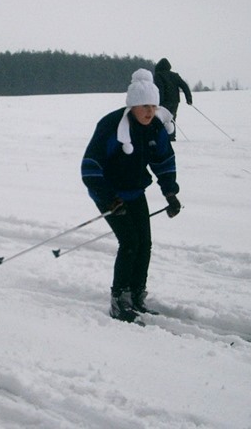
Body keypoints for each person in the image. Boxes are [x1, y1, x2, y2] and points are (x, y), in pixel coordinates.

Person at [81, 69, 181, 322]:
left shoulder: (154, 127)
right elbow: (90, 167)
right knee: (130, 243)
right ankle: (118, 300)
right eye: (144, 105)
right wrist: (107, 199)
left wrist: (170, 192)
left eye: (153, 105)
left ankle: (137, 296)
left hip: (135, 192)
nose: (149, 111)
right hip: (110, 194)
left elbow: (164, 161)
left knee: (144, 244)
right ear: (133, 105)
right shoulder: (111, 126)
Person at [153, 58, 192, 141]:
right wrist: (189, 98)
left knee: (162, 119)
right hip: (175, 101)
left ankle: (163, 137)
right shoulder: (175, 75)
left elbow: (160, 88)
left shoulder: (158, 75)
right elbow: (184, 86)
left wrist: (160, 101)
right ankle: (171, 136)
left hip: (164, 101)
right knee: (172, 119)